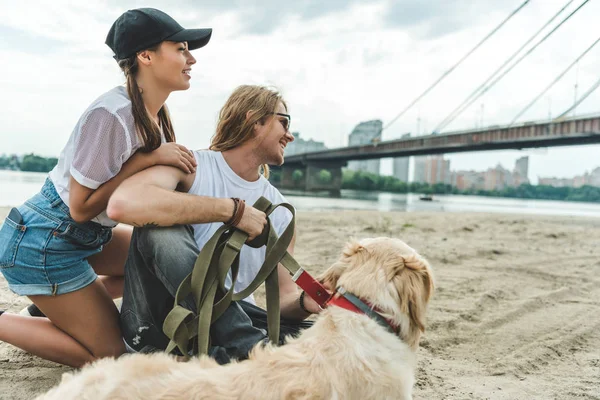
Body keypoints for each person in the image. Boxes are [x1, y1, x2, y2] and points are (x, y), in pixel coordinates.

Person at [0, 8, 212, 367]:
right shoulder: (112, 115)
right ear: (146, 56)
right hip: (44, 242)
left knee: (157, 263)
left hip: (84, 235)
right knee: (112, 355)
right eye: (180, 48)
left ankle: (52, 306)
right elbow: (80, 208)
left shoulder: (153, 113)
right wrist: (144, 161)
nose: (190, 58)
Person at [106, 85, 322, 363]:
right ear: (255, 121)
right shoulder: (192, 167)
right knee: (158, 225)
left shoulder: (280, 212)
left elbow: (282, 301)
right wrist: (230, 211)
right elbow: (125, 203)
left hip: (236, 322)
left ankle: (234, 348)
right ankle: (244, 346)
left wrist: (306, 303)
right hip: (162, 322)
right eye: (284, 122)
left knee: (331, 333)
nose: (290, 135)